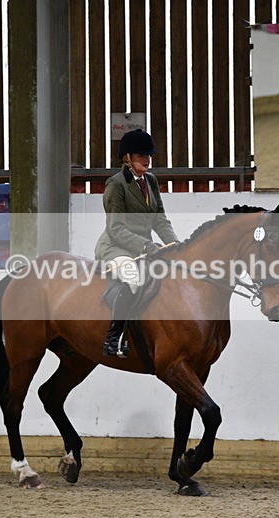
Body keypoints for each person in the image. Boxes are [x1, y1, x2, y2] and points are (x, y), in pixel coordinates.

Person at [94, 129, 179, 357]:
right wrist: (145, 246)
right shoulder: (116, 184)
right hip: (116, 247)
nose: (147, 159)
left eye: (148, 155)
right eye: (141, 155)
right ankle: (114, 338)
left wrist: (176, 245)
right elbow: (116, 229)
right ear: (127, 157)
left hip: (144, 248)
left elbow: (160, 220)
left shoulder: (150, 181)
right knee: (133, 279)